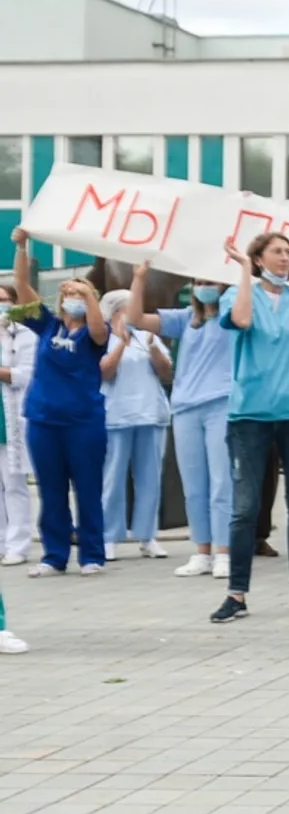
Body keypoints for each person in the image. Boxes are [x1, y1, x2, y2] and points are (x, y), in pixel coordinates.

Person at [210, 231, 289, 624]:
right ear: (259, 259)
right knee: (245, 508)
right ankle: (237, 594)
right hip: (250, 414)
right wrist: (245, 272)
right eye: (276, 252)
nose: (286, 258)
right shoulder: (236, 294)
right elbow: (242, 320)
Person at [10, 227, 110, 576]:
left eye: (78, 292)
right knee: (51, 491)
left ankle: (93, 554)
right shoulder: (48, 325)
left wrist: (89, 296)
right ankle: (54, 556)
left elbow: (98, 332)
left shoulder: (96, 331)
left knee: (87, 488)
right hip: (43, 420)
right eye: (67, 291)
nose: (71, 296)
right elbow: (22, 289)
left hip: (83, 422)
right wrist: (22, 248)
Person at [135, 279, 236, 577]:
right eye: (199, 282)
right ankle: (202, 551)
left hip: (222, 403)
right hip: (185, 408)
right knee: (194, 486)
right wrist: (140, 278)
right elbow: (136, 318)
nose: (204, 287)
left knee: (221, 482)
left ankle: (224, 552)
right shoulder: (184, 319)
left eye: (211, 282)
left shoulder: (233, 317)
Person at [98, 282, 173, 562]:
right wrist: (120, 344)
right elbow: (104, 373)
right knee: (112, 478)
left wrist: (153, 349)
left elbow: (166, 371)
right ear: (116, 312)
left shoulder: (148, 336)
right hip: (115, 416)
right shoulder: (102, 338)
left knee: (150, 478)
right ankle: (108, 536)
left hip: (151, 414)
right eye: (130, 309)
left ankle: (147, 535)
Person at [0, 283, 37, 566]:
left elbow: (27, 375)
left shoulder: (25, 335)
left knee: (14, 484)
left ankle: (19, 544)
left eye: (2, 300)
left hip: (10, 415)